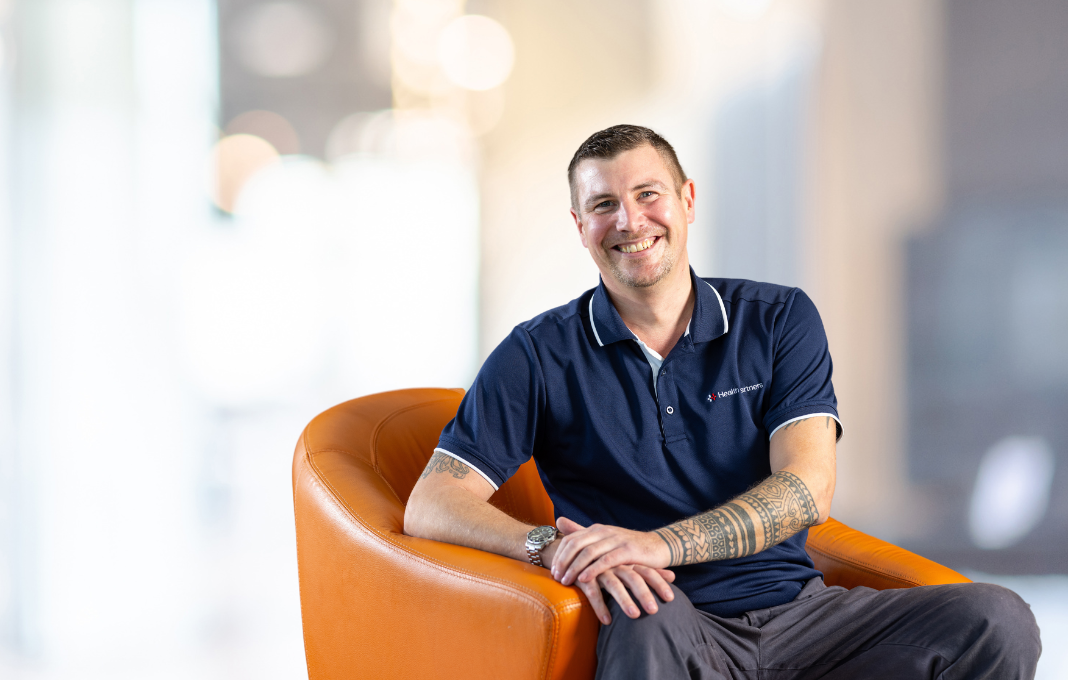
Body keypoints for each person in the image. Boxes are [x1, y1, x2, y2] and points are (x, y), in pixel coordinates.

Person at [402, 124, 1041, 678]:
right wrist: (551, 545)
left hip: (804, 617)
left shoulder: (779, 318)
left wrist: (658, 545)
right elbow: (433, 503)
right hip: (666, 621)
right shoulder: (538, 354)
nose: (629, 220)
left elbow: (807, 489)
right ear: (579, 227)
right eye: (603, 204)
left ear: (687, 200)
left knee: (996, 619)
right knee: (640, 613)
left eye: (647, 194)